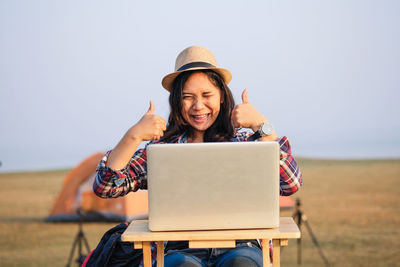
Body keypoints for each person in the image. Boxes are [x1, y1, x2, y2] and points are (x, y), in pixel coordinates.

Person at [94, 46, 302, 267]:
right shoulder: (162, 149)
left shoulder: (245, 143)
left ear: (221, 96)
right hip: (178, 249)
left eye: (206, 95)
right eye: (188, 97)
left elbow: (290, 183)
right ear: (176, 102)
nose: (198, 106)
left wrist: (263, 126)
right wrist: (133, 136)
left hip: (243, 247)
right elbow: (106, 187)